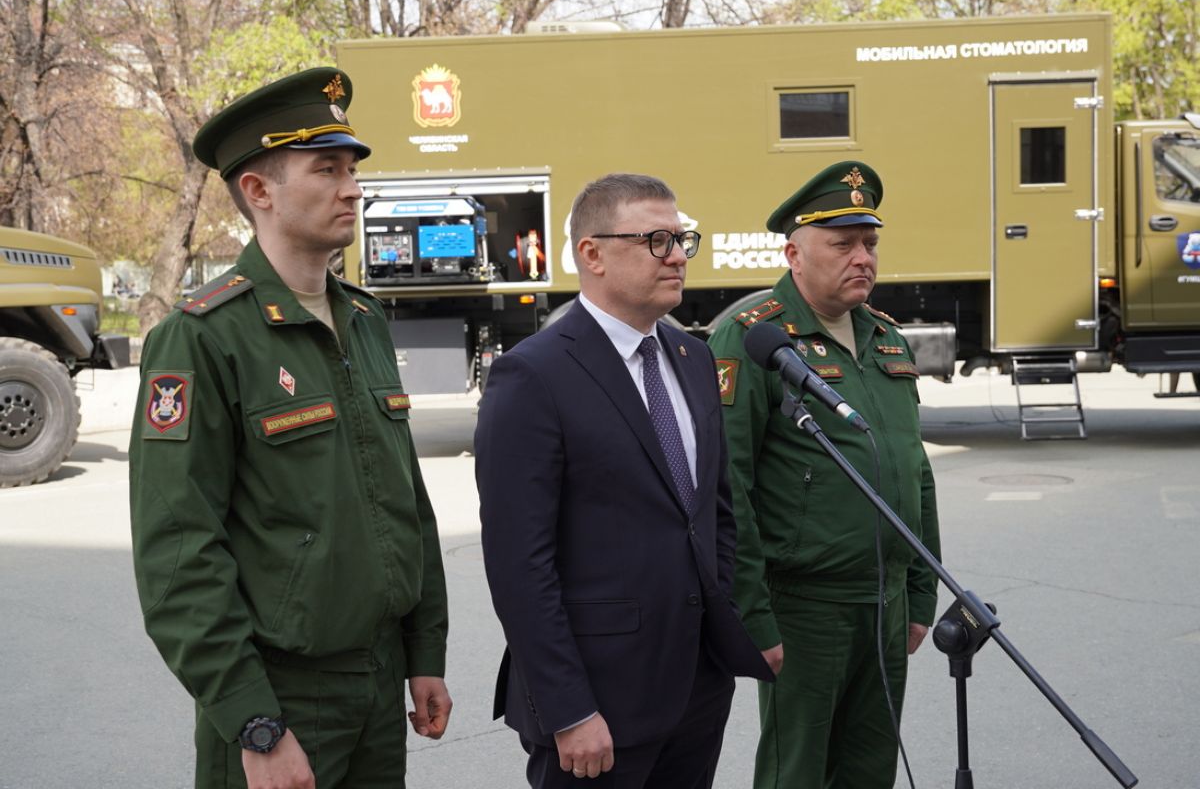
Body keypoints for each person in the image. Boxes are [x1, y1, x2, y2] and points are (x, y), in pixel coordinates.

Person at [128, 67, 451, 789]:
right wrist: (254, 721)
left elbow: (406, 504)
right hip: (281, 696)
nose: (353, 188)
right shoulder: (202, 337)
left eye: (353, 169)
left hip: (379, 680)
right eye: (327, 169)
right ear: (259, 190)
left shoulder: (363, 321)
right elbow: (178, 555)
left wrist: (423, 650)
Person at [475, 173, 773, 788]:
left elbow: (713, 514)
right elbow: (519, 566)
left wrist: (728, 629)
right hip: (597, 703)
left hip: (696, 688)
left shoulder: (692, 360)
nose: (677, 256)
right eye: (656, 240)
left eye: (683, 239)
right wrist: (569, 709)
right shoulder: (532, 376)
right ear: (592, 254)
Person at [707, 161, 942, 789]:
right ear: (794, 253)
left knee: (870, 770)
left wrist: (921, 591)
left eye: (869, 243)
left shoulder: (887, 338)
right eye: (842, 244)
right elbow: (729, 488)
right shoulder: (752, 337)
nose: (862, 257)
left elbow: (914, 472)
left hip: (886, 601)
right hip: (804, 607)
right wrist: (751, 615)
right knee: (798, 773)